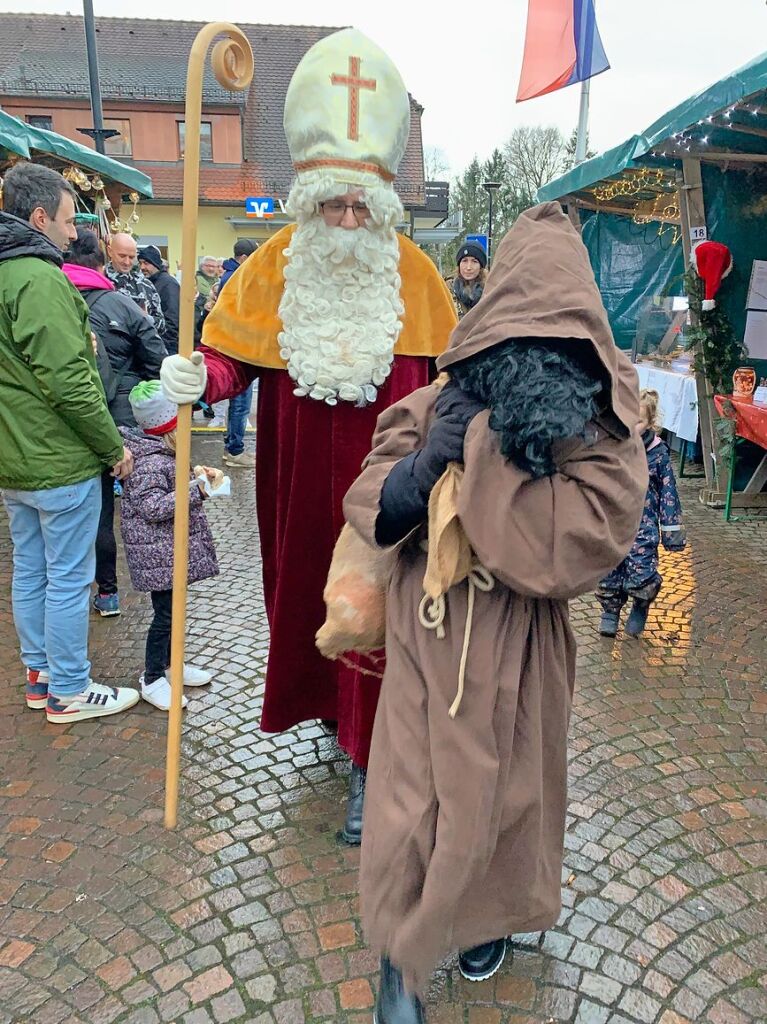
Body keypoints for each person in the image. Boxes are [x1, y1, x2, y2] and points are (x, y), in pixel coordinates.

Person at [341, 203, 647, 1023]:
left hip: (520, 639)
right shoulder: (450, 393)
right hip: (428, 623)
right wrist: (424, 466)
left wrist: (477, 459)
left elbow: (586, 535)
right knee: (410, 791)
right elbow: (371, 491)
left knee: (507, 795)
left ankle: (486, 920)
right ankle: (400, 956)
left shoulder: (605, 422)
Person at [160, 28, 457, 843]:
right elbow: (230, 358)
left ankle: (372, 763)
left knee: (383, 609)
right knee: (313, 610)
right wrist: (200, 380)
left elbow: (454, 381)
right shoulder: (274, 265)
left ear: (384, 205)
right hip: (296, 491)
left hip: (388, 493)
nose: (349, 217)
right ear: (311, 200)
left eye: (362, 205)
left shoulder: (417, 276)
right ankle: (334, 720)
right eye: (335, 202)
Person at [0, 161, 138, 723]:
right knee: (67, 578)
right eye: (66, 218)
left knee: (30, 570)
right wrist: (114, 448)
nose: (75, 231)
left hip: (17, 460)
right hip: (59, 459)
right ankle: (70, 691)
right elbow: (71, 380)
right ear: (37, 217)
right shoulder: (37, 278)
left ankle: (41, 678)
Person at [62, 226, 168, 618]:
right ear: (102, 261)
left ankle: (100, 592)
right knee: (141, 505)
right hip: (124, 422)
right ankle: (150, 587)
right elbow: (158, 361)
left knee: (94, 511)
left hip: (70, 424)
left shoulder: (52, 302)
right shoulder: (122, 304)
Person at [119, 381, 218, 710]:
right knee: (165, 616)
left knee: (174, 613)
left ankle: (172, 665)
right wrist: (196, 490)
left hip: (168, 555)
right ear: (170, 428)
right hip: (160, 557)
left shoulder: (162, 455)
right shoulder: (151, 463)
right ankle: (151, 677)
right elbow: (154, 508)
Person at [596, 388, 686, 638]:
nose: (633, 427)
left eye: (640, 421)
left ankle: (640, 605)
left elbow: (669, 492)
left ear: (650, 423)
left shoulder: (657, 454)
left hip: (643, 526)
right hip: (613, 524)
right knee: (609, 567)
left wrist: (671, 532)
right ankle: (610, 612)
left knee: (641, 569)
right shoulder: (612, 447)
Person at [219, 239, 259, 468]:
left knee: (238, 403)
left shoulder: (229, 276)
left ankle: (231, 446)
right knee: (241, 404)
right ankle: (235, 450)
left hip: (235, 347)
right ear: (243, 258)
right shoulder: (235, 278)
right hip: (238, 349)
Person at [106, 231, 166, 337]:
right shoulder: (100, 280)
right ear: (110, 251)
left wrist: (146, 319)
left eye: (131, 257)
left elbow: (162, 326)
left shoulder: (145, 285)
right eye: (122, 256)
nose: (127, 262)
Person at [138, 244, 180, 354]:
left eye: (146, 263)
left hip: (165, 346)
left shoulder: (169, 284)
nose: (142, 267)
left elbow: (172, 320)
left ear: (155, 264)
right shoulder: (145, 283)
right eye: (140, 263)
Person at [449, 240, 487, 318]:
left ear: (481, 267)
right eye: (464, 261)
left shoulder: (490, 291)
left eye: (474, 261)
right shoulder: (447, 290)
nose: (469, 267)